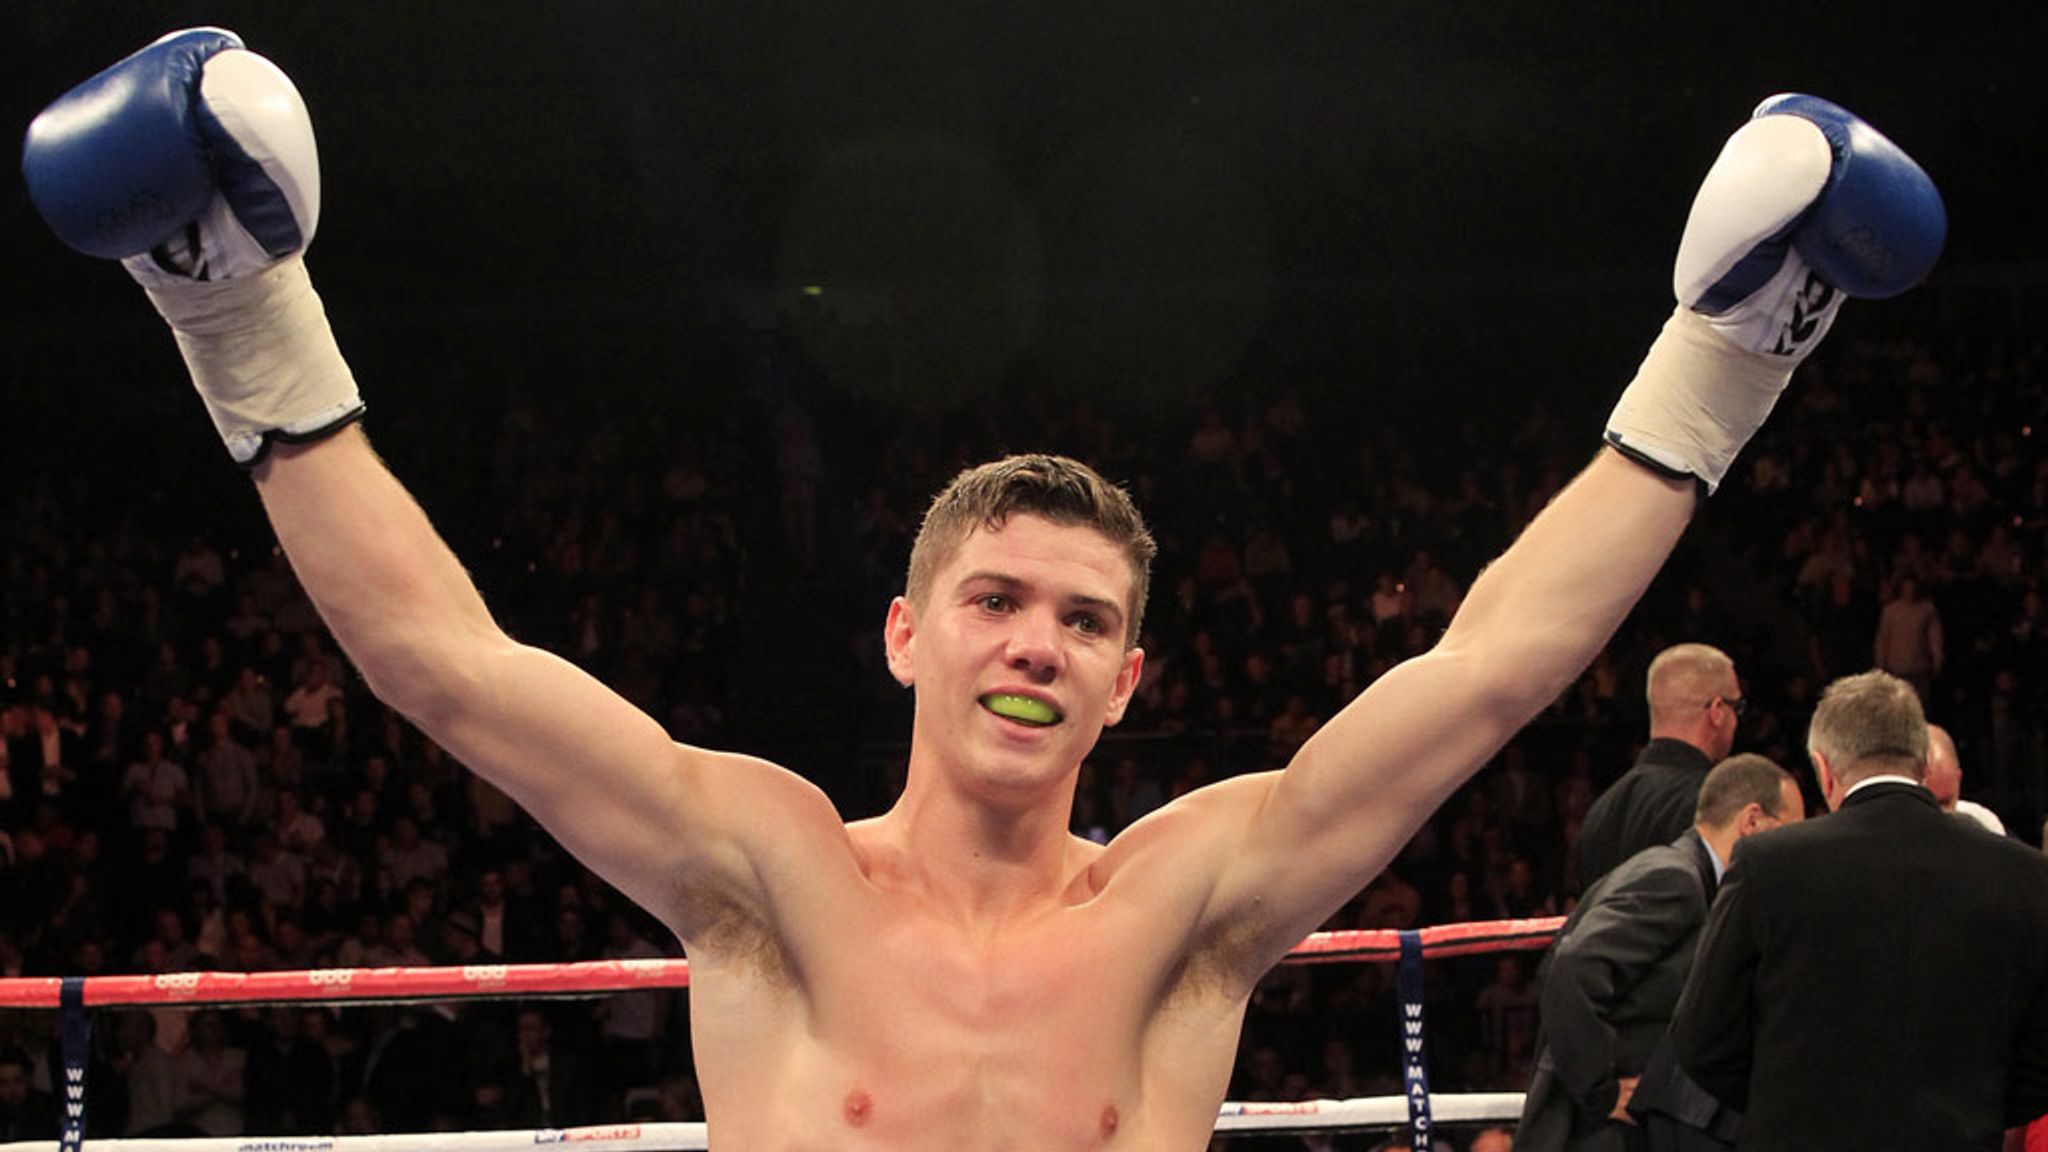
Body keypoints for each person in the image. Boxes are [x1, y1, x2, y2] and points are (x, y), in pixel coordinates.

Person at [25, 29, 1945, 1147]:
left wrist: (1724, 359)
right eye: (998, 599)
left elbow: (1491, 666)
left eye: (1085, 620)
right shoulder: (762, 867)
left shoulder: (1190, 901)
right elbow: (441, 660)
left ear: (1128, 680)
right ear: (904, 632)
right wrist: (236, 310)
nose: (1037, 640)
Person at [1670, 671, 2048, 1150]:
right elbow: (2040, 1058)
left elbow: (1701, 1038)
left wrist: (1785, 1100)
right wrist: (1975, 1107)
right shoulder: (2021, 872)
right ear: (1920, 763)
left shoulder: (1768, 863)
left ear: (1824, 770)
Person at [1516, 754, 1801, 1152]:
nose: (1796, 851)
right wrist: (1601, 1090)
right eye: (1791, 832)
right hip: (1600, 1134)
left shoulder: (1692, 882)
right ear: (1752, 821)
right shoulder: (1675, 878)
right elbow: (1571, 969)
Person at [1575, 645, 1744, 889]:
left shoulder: (1599, 813)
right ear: (1717, 711)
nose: (1736, 721)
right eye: (1737, 707)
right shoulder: (1716, 804)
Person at [1926, 722, 2009, 834]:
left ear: (1958, 779)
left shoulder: (1984, 824)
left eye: (1945, 803)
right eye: (1928, 804)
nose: (1940, 815)